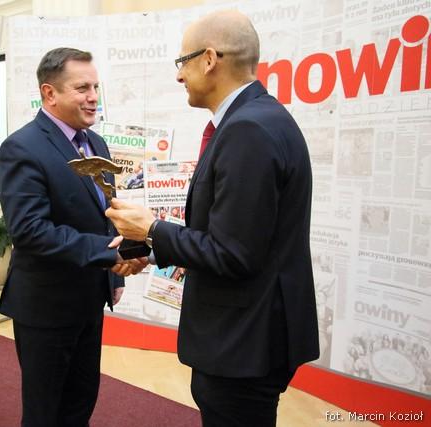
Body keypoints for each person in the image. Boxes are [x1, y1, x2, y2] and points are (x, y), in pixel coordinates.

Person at [105, 10, 319, 426]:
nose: (178, 76)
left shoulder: (248, 130)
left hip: (243, 342)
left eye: (181, 62)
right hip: (247, 336)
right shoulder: (254, 120)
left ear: (208, 59)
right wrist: (149, 249)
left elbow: (233, 253)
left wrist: (152, 229)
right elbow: (232, 234)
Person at [0, 47, 146, 427]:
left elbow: (105, 215)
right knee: (45, 411)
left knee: (81, 400)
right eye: (82, 88)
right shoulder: (21, 147)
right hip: (46, 307)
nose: (93, 97)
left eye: (95, 87)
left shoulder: (97, 143)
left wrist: (114, 275)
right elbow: (30, 230)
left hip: (89, 299)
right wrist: (107, 253)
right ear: (50, 93)